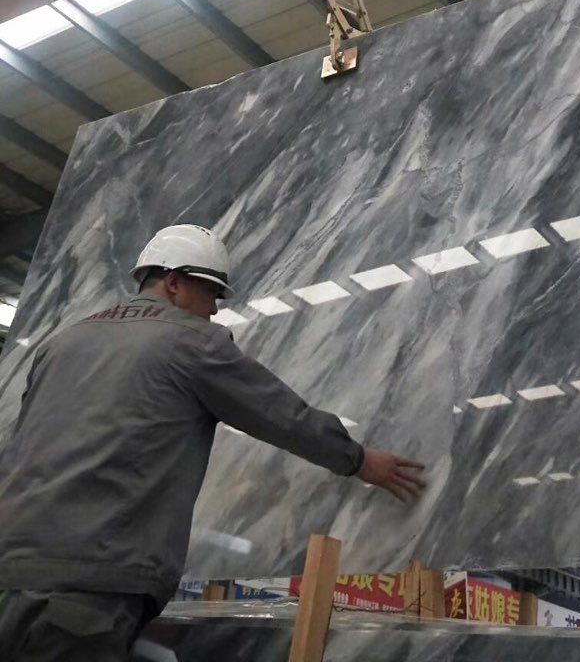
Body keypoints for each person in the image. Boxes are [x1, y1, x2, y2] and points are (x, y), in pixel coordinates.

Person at [0, 224, 425, 660]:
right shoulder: (190, 340)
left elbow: (19, 446)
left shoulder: (60, 343)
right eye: (211, 295)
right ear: (173, 282)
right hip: (90, 585)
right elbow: (279, 414)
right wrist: (358, 459)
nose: (214, 311)